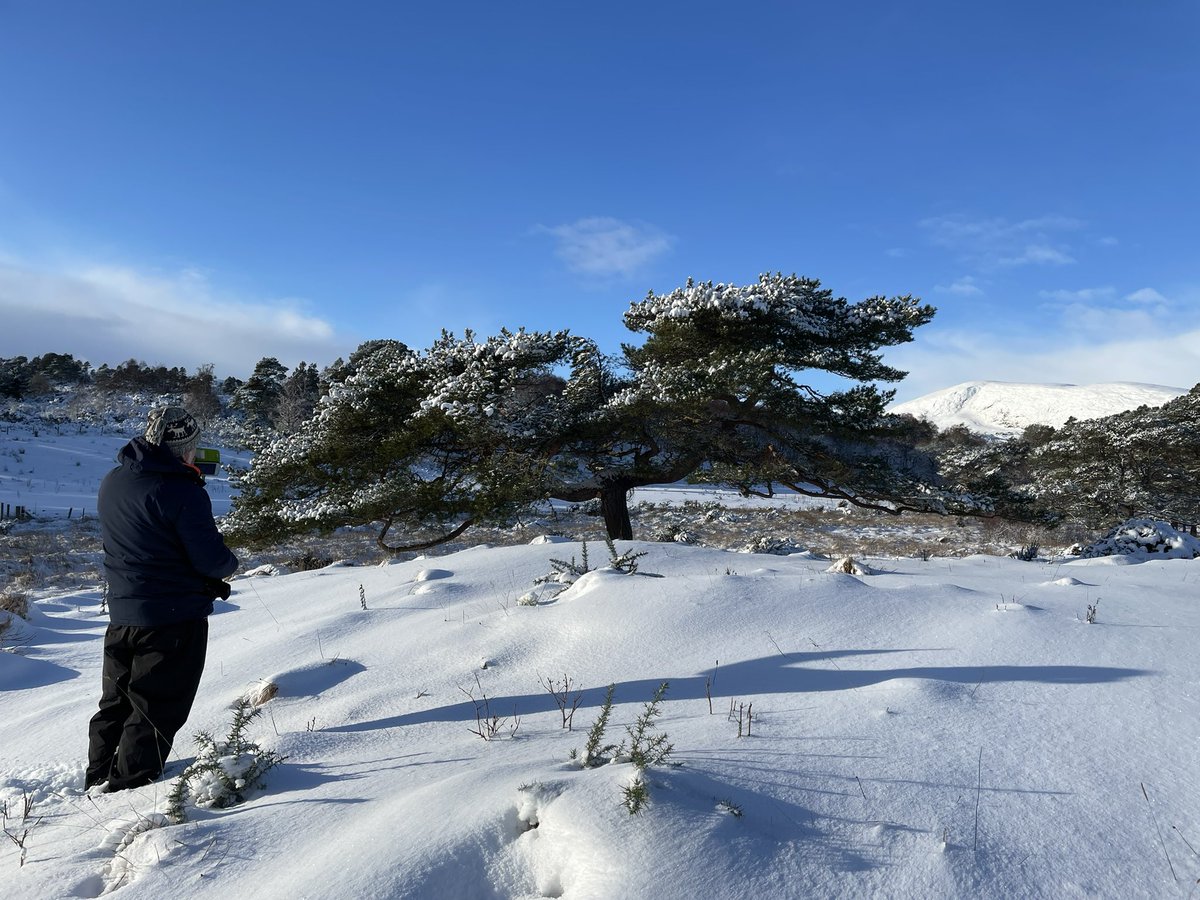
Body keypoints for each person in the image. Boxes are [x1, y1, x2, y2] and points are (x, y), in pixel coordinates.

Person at [86, 406, 238, 793]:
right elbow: (212, 560)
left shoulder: (113, 480)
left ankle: (99, 777)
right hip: (172, 618)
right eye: (193, 447)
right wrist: (228, 562)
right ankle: (128, 790)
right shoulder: (182, 492)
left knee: (116, 703)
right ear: (184, 449)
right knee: (155, 706)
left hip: (122, 613)